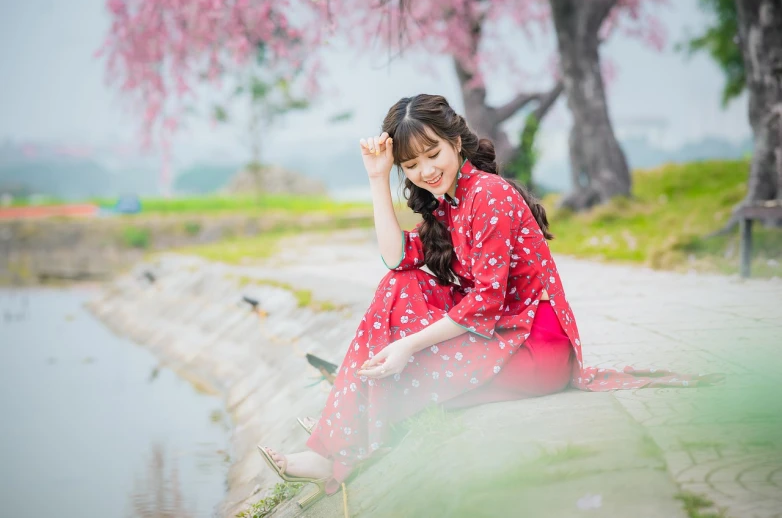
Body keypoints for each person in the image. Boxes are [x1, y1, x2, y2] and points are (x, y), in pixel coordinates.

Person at [257, 94, 717, 507]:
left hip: (535, 351)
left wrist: (407, 346)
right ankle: (340, 438)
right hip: (501, 339)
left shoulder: (489, 195)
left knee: (404, 369)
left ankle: (333, 448)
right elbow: (395, 260)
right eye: (411, 165)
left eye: (433, 153)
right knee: (398, 287)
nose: (425, 171)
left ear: (457, 141)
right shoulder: (448, 202)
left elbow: (485, 304)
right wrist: (379, 178)